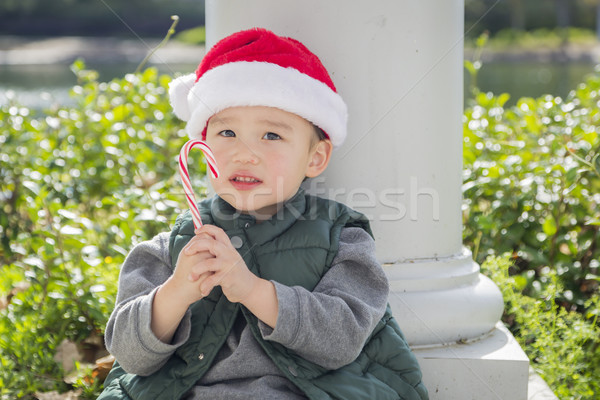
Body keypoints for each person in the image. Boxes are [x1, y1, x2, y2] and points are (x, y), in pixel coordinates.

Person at [98, 27, 428, 400]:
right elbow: (129, 356)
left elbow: (342, 340)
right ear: (202, 145)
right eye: (226, 133)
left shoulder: (342, 239)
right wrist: (176, 292)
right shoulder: (171, 247)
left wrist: (253, 290)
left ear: (315, 157)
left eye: (271, 136)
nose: (244, 153)